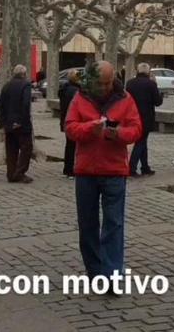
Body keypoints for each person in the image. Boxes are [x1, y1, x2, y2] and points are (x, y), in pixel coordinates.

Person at [65, 61, 141, 282]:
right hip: (86, 170)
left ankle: (112, 274)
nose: (106, 87)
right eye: (102, 83)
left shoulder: (125, 98)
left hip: (114, 169)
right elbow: (70, 128)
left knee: (114, 223)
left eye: (109, 82)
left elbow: (136, 129)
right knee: (87, 224)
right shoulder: (80, 98)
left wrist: (118, 134)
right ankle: (95, 270)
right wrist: (91, 128)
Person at [0, 64, 35, 183]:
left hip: (8, 123)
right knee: (26, 147)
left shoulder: (6, 86)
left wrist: (2, 122)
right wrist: (21, 121)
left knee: (11, 149)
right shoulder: (26, 85)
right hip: (21, 123)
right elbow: (25, 104)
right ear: (24, 74)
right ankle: (20, 172)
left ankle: (11, 173)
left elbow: (0, 105)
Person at [125, 63, 163, 176]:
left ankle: (145, 166)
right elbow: (158, 101)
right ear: (148, 72)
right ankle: (131, 167)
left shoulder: (130, 83)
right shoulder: (151, 84)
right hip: (146, 116)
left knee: (142, 142)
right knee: (140, 142)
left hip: (133, 115)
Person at [59, 69, 81, 178]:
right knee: (74, 146)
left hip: (65, 120)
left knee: (69, 145)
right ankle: (71, 169)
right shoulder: (76, 91)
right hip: (74, 121)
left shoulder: (64, 89)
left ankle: (67, 169)